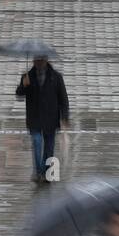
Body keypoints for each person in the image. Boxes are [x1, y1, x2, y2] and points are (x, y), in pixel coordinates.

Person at [16, 55, 70, 184]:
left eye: (41, 60)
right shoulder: (27, 76)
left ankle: (46, 172)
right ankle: (38, 171)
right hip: (34, 117)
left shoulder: (56, 77)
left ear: (46, 60)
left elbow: (63, 99)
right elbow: (19, 94)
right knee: (37, 141)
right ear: (34, 60)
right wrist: (24, 85)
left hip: (51, 118)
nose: (39, 62)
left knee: (49, 147)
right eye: (37, 60)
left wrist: (65, 117)